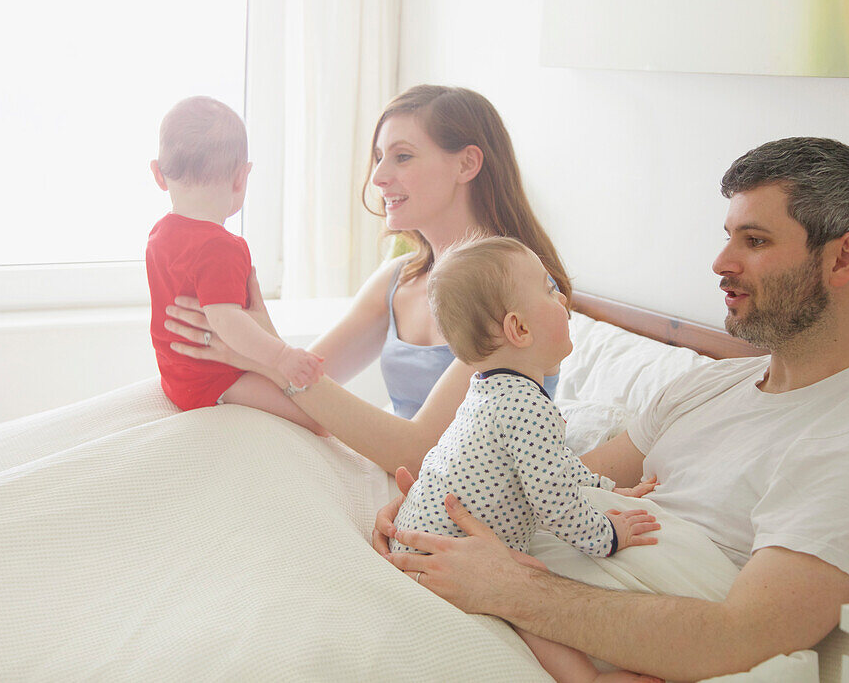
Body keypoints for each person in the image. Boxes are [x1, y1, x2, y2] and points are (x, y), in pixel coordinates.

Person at [373, 137, 849, 681]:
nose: (720, 261)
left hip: (540, 615)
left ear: (842, 259)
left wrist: (507, 588)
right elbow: (559, 482)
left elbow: (741, 637)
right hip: (493, 580)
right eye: (727, 237)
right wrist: (442, 513)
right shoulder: (711, 385)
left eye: (756, 240)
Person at [163, 85, 573, 478]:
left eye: (402, 157)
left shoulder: (518, 292)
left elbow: (422, 451)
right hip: (398, 482)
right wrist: (246, 348)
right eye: (378, 157)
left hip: (456, 493)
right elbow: (310, 395)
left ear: (466, 164)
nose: (378, 176)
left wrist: (262, 356)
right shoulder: (399, 279)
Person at [391, 235, 662, 683]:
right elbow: (555, 503)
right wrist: (608, 533)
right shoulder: (526, 407)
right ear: (519, 329)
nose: (564, 299)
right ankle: (585, 678)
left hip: (424, 535)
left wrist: (611, 490)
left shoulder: (489, 391)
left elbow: (557, 465)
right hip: (448, 553)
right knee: (527, 587)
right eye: (550, 289)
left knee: (521, 577)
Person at [146, 96, 324, 432]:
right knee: (318, 423)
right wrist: (282, 357)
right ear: (241, 178)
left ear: (158, 174)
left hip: (175, 374)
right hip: (212, 380)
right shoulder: (222, 247)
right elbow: (226, 321)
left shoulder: (159, 234)